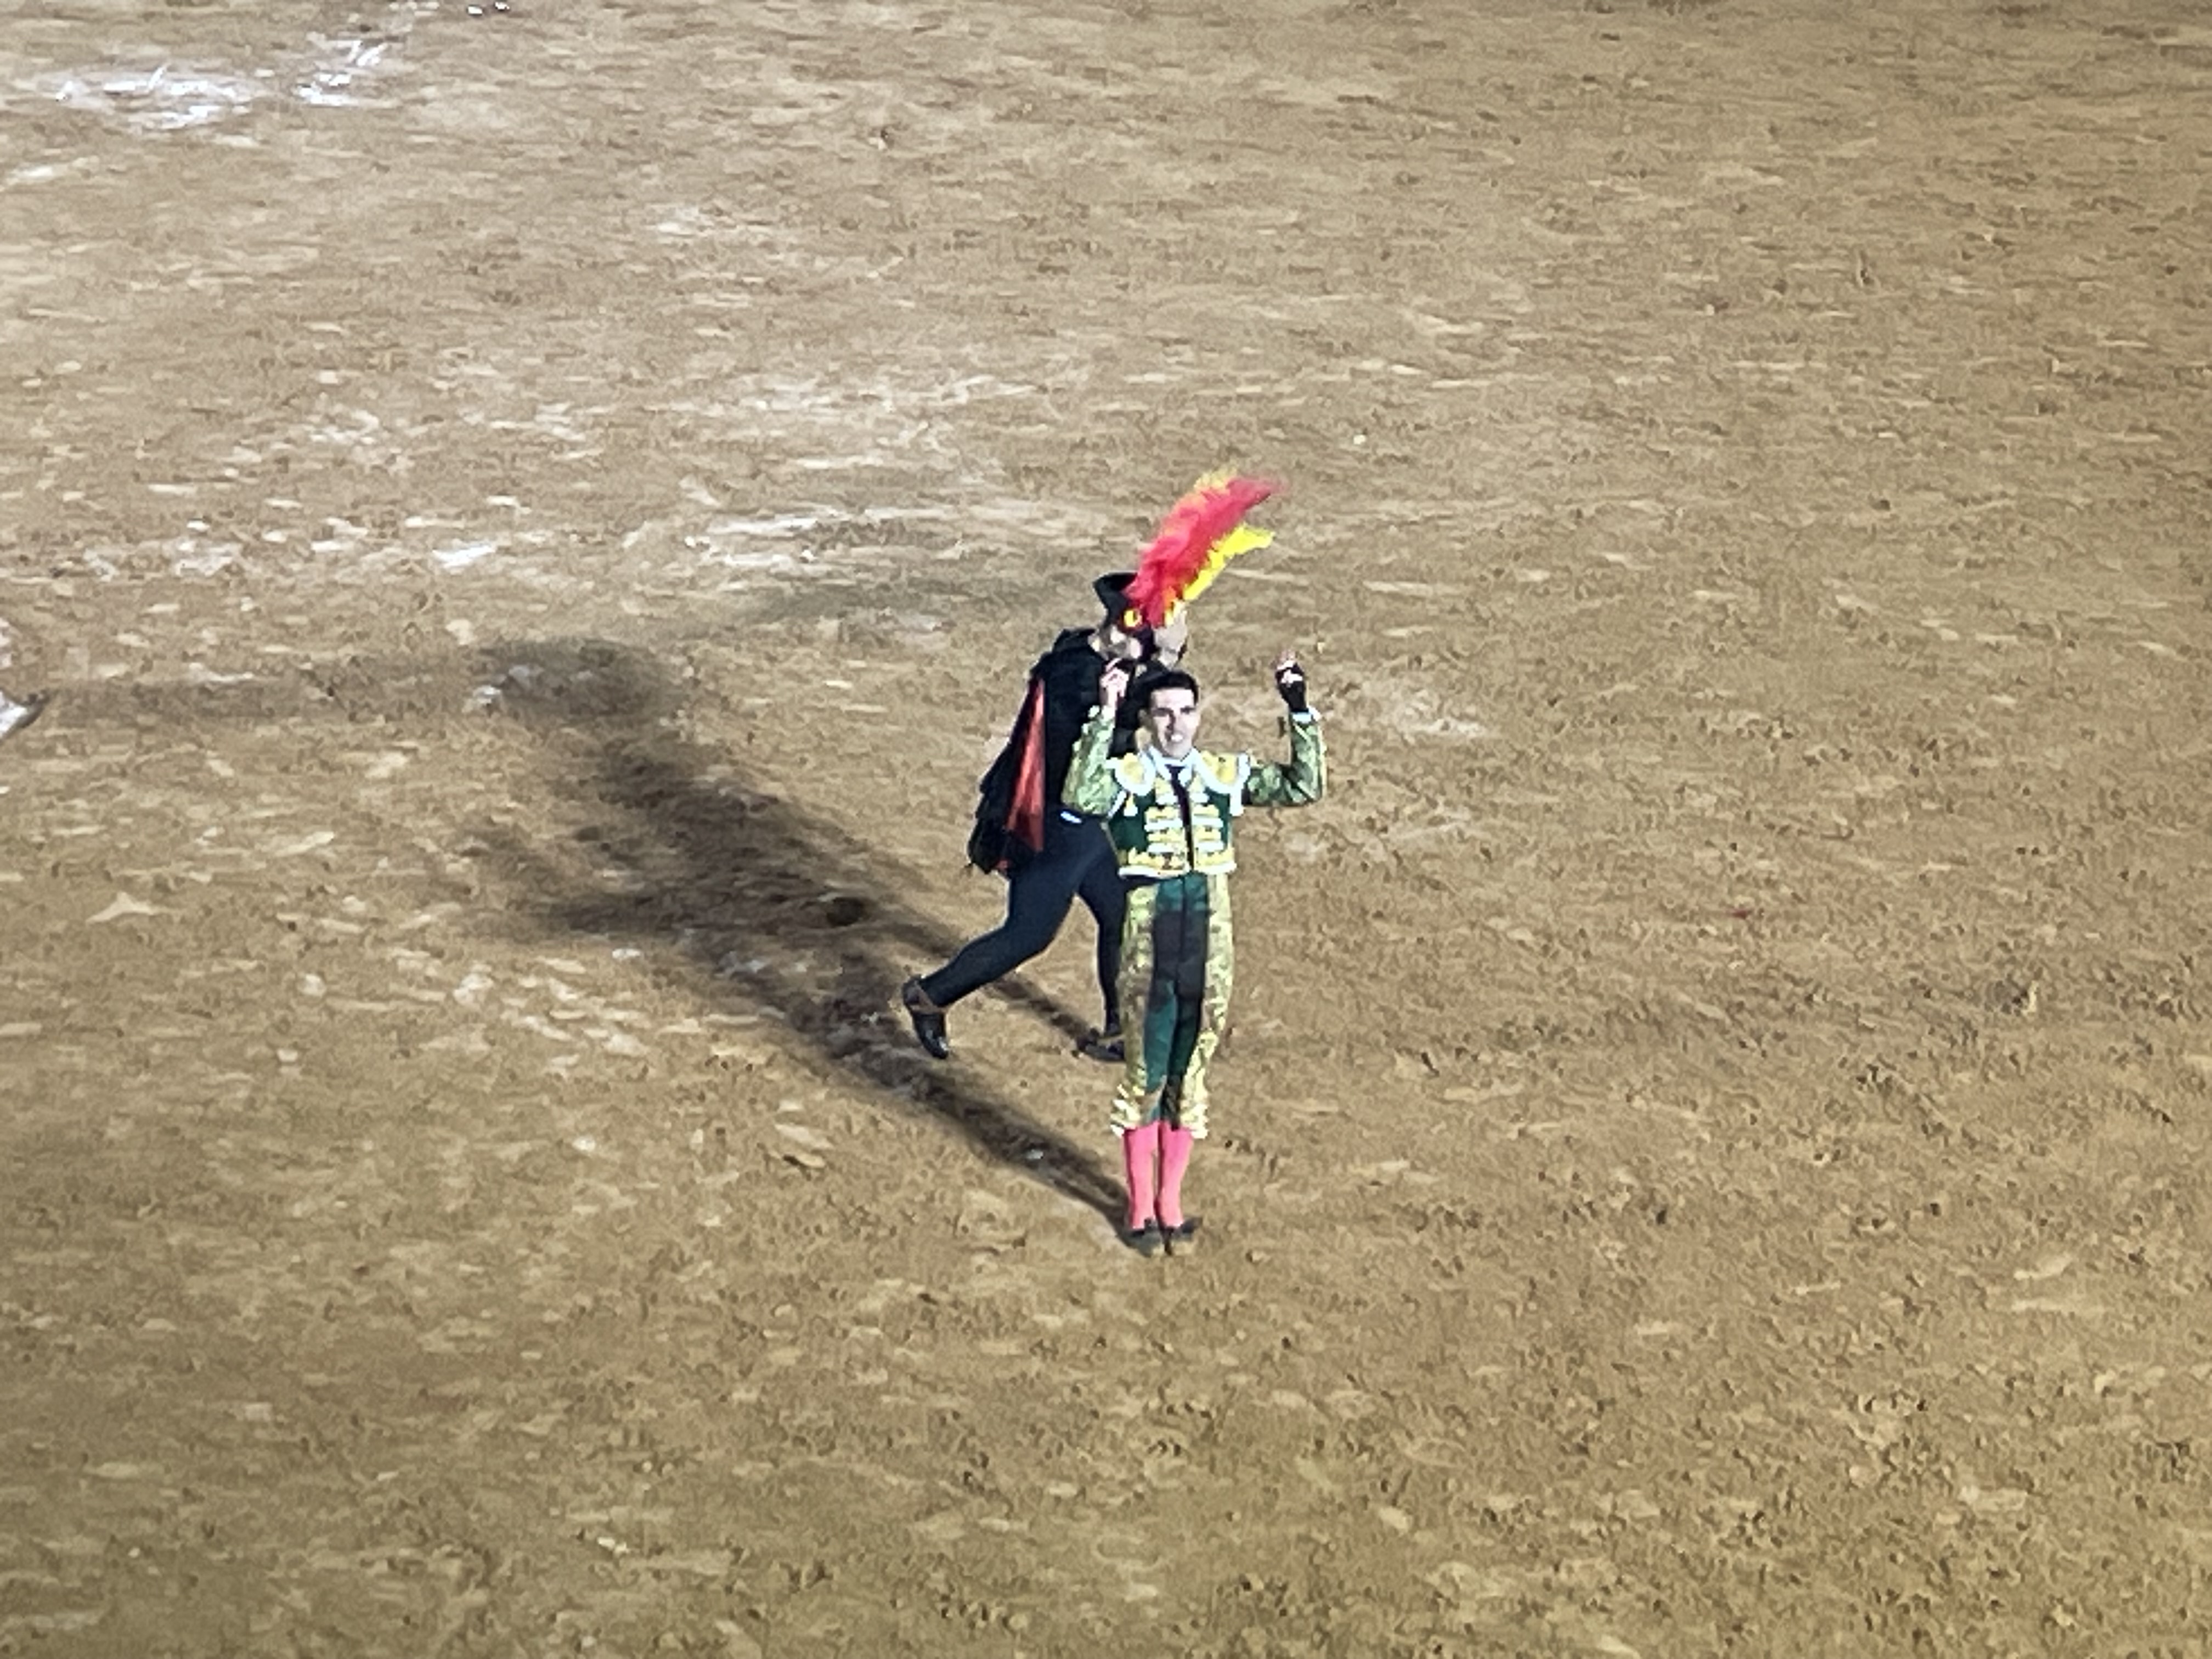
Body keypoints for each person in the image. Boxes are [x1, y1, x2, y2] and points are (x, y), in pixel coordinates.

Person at [1064, 648, 1325, 1256]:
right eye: (1163, 713)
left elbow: (1304, 785)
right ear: (1147, 721)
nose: (1176, 724)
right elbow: (1082, 792)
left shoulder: (1221, 774)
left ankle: (1170, 1205)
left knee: (1191, 1072)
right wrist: (1105, 711)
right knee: (1145, 1073)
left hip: (1210, 943)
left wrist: (1298, 708)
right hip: (1150, 940)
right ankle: (1138, 1208)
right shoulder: (1126, 777)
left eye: (1185, 711)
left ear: (1200, 716)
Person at [899, 574, 1189, 1064]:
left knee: (1120, 911)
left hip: (1091, 822)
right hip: (1057, 827)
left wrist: (1161, 660)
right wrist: (1167, 660)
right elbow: (1129, 716)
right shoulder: (1076, 676)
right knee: (1028, 934)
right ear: (1123, 630)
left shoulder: (1093, 658)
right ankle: (929, 996)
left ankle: (1120, 1028)